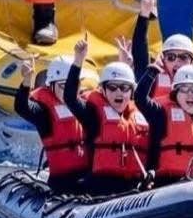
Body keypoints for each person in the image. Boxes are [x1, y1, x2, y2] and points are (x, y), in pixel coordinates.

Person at [64, 36, 149, 195]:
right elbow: (70, 98)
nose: (118, 93)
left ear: (132, 92)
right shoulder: (93, 115)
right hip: (100, 188)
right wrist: (78, 60)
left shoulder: (142, 113)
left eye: (124, 88)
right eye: (112, 87)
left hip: (133, 188)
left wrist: (125, 66)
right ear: (102, 90)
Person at [135, 63, 193, 185]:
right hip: (168, 183)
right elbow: (140, 98)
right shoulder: (161, 113)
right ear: (175, 94)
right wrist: (152, 72)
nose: (190, 94)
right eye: (184, 89)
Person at [14, 56, 89, 192]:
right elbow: (22, 108)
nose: (70, 90)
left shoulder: (84, 106)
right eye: (64, 86)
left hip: (88, 178)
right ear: (51, 85)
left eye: (75, 84)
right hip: (62, 183)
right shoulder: (45, 112)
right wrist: (27, 81)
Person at [130, 0, 193, 100]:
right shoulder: (153, 81)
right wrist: (144, 15)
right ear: (163, 61)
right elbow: (140, 54)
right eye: (171, 57)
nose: (177, 62)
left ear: (192, 62)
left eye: (183, 57)